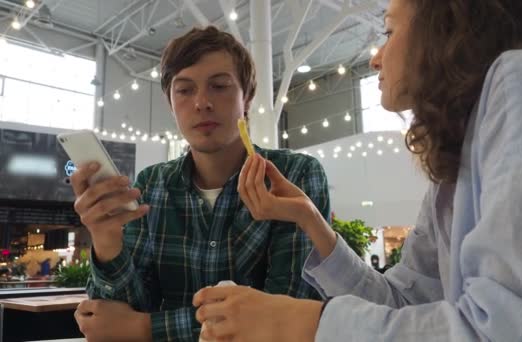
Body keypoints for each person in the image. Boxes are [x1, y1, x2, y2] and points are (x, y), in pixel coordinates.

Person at [192, 0, 522, 341]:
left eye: (388, 33)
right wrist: (311, 220)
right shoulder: (455, 167)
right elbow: (403, 302)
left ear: (447, 25)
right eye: (184, 88)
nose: (375, 59)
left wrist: (300, 323)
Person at [70, 26, 330, 341]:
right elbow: (116, 316)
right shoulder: (152, 185)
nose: (202, 102)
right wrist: (106, 238)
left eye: (220, 86)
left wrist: (145, 328)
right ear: (169, 102)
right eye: (184, 90)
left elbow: (285, 314)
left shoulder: (293, 176)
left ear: (246, 97)